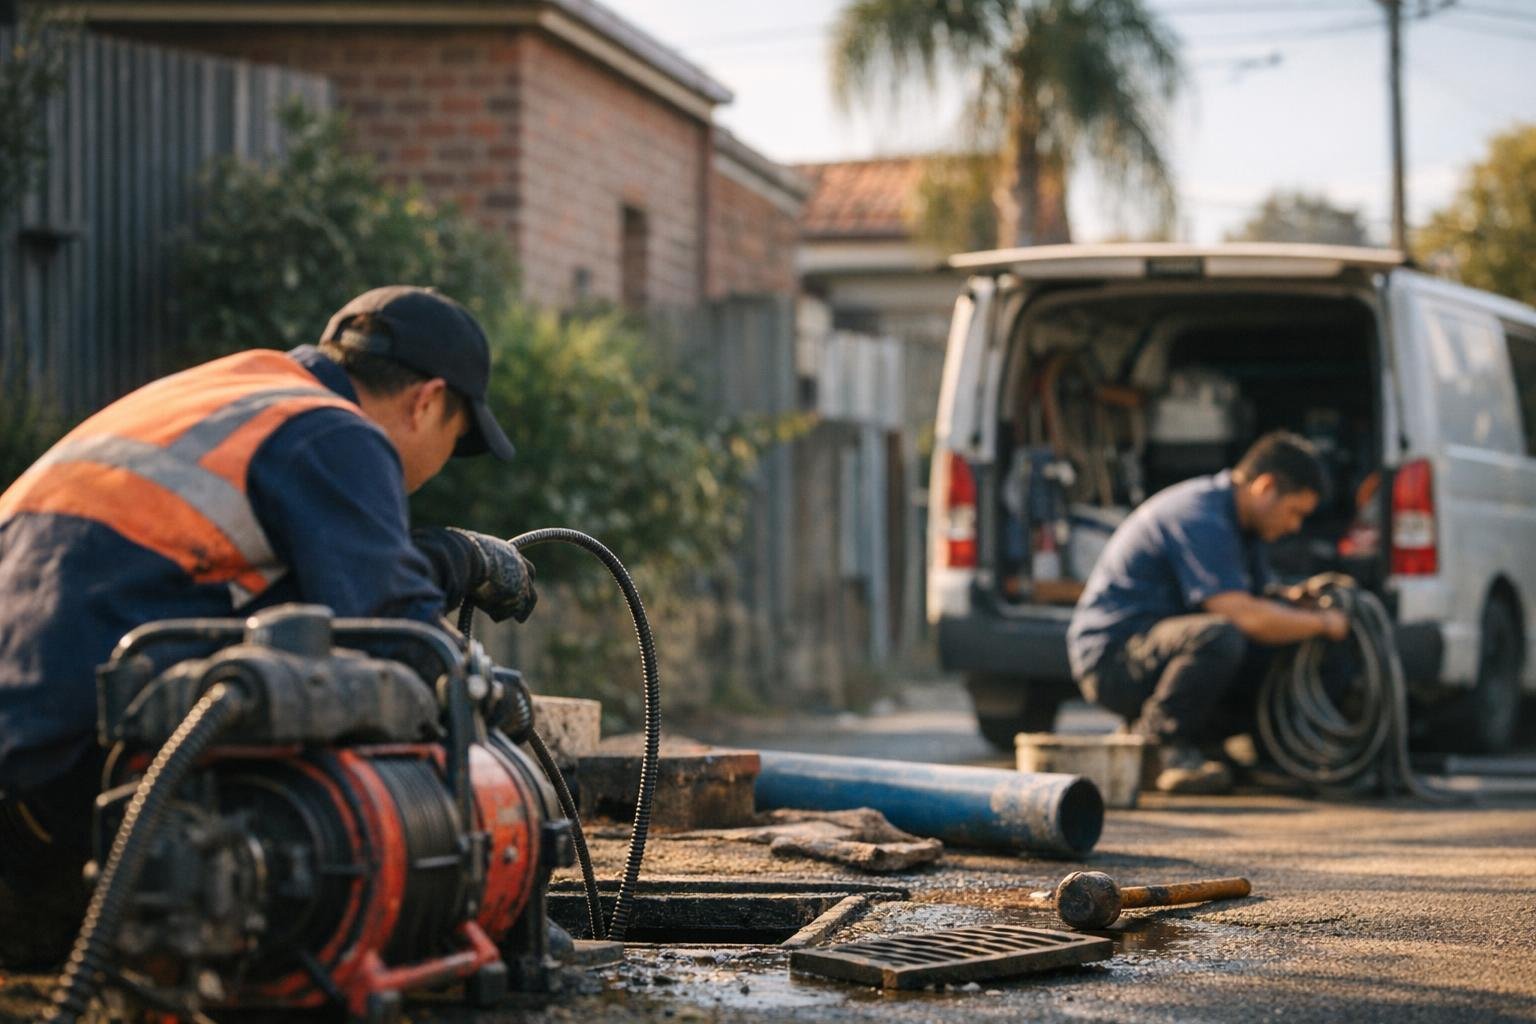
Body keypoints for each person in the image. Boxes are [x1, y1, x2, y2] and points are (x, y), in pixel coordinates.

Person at [0, 285, 535, 965]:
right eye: (454, 441)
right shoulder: (334, 432)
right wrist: (496, 702)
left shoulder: (232, 394)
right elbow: (397, 631)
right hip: (82, 774)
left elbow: (295, 582)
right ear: (428, 401)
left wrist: (452, 557)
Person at [1067, 431, 1351, 795]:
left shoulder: (1246, 527)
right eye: (1294, 512)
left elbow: (1257, 600)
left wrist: (1293, 602)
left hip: (1162, 648)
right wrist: (1324, 623)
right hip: (1112, 658)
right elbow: (1245, 616)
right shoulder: (1201, 514)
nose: (1294, 526)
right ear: (1265, 487)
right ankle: (1160, 748)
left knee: (1284, 644)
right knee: (1221, 635)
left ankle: (1251, 753)